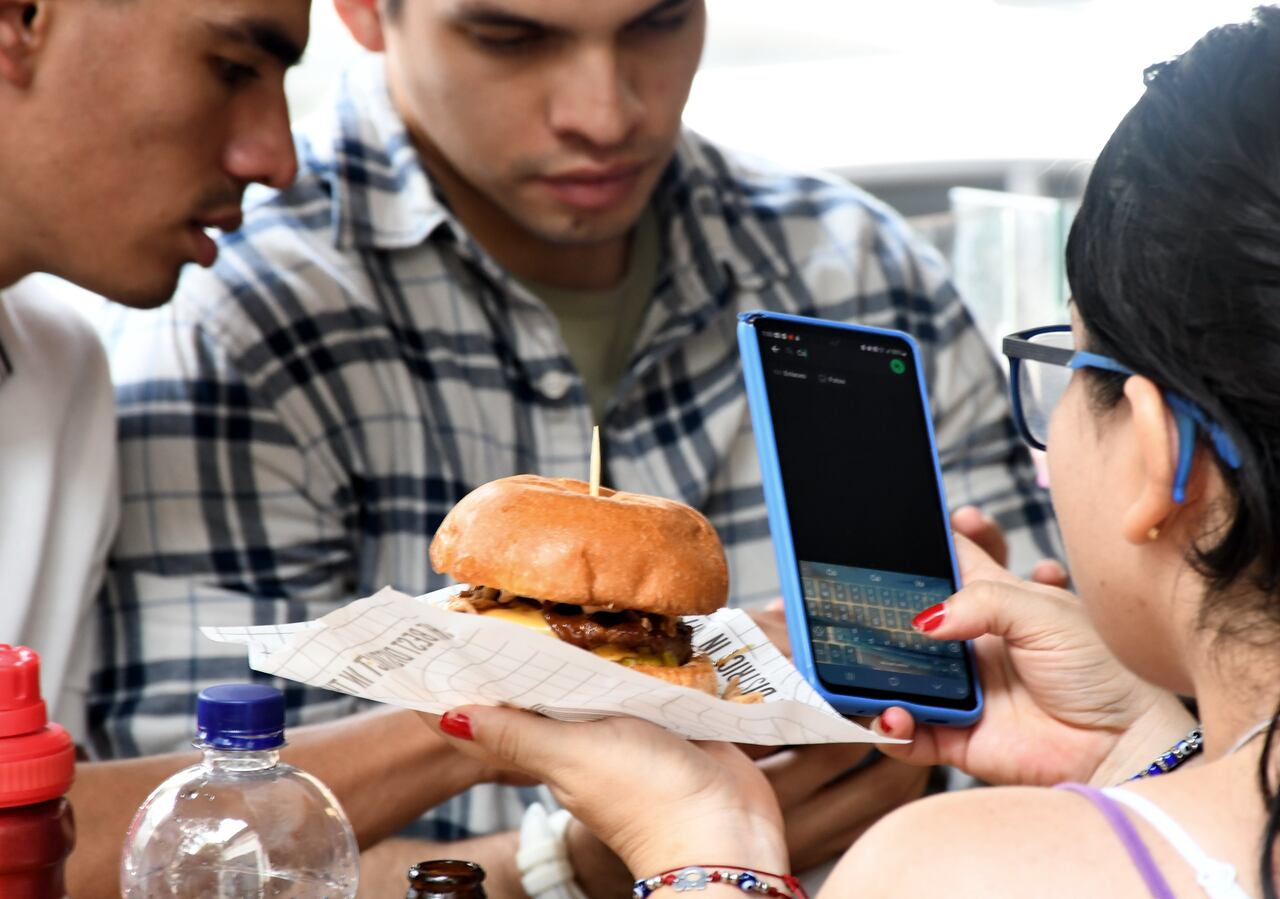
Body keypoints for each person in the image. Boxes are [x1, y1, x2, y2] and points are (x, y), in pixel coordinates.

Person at [90, 0, 1061, 891]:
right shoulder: (230, 318)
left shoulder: (865, 272)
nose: (606, 113)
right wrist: (577, 861)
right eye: (511, 38)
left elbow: (1044, 777)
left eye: (659, 20)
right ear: (361, 11)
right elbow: (199, 853)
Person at [422, 7, 1280, 898]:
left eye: (1062, 359)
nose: (604, 112)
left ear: (1158, 452)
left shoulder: (955, 865)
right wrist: (1144, 746)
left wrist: (708, 847)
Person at [0, 2, 525, 897]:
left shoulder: (57, 368)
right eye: (233, 68)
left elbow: (48, 828)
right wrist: (491, 719)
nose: (276, 159)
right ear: (23, 20)